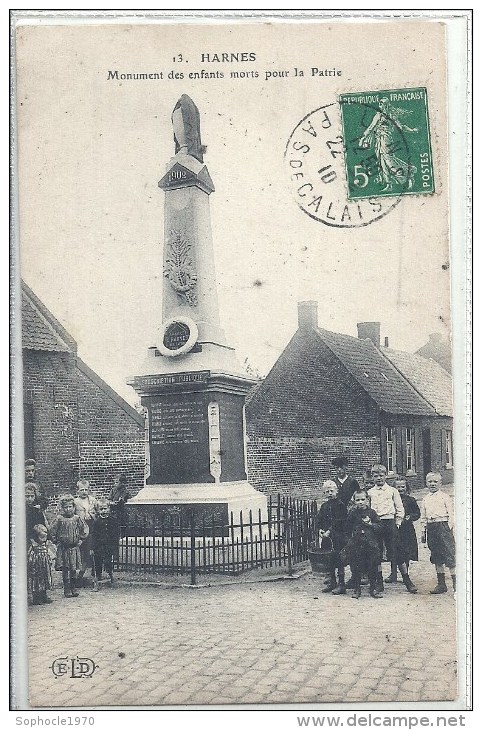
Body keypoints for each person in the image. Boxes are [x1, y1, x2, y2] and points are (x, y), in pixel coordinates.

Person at [368, 465, 417, 594]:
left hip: (390, 522)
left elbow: (400, 508)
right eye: (375, 476)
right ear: (372, 477)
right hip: (376, 523)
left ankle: (407, 581)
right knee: (376, 553)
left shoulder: (392, 491)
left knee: (397, 551)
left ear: (386, 476)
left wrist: (398, 522)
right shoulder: (370, 493)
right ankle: (379, 583)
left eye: (381, 475)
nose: (379, 478)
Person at [421, 472, 456, 595]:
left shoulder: (445, 497)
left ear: (440, 483)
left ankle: (456, 584)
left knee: (449, 554)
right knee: (436, 555)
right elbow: (424, 517)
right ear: (426, 483)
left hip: (443, 526)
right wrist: (423, 531)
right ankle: (441, 584)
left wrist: (448, 529)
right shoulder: (425, 499)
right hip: (431, 527)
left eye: (435, 482)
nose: (432, 484)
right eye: (430, 482)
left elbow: (451, 515)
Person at [344, 490, 383, 599]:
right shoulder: (352, 513)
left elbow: (380, 527)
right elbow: (347, 529)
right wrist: (349, 541)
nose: (360, 502)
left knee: (372, 566)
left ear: (367, 500)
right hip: (356, 544)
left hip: (370, 544)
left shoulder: (372, 513)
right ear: (354, 501)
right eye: (358, 500)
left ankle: (373, 589)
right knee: (356, 567)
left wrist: (371, 524)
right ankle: (357, 589)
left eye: (362, 499)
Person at [48, 494, 88, 598]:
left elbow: (84, 528)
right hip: (64, 548)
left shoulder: (77, 518)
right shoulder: (59, 519)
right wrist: (56, 541)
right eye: (66, 507)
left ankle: (74, 587)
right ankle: (67, 588)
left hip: (74, 548)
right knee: (66, 569)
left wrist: (81, 540)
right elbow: (52, 531)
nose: (68, 509)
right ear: (62, 508)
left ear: (74, 507)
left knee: (74, 569)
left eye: (70, 506)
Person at [316, 480, 348, 595]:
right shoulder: (324, 506)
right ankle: (332, 582)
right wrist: (320, 529)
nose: (330, 493)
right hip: (327, 538)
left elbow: (341, 521)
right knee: (329, 559)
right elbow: (319, 519)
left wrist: (330, 530)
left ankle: (341, 584)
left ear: (336, 491)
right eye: (327, 492)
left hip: (338, 537)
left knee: (339, 560)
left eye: (332, 491)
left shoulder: (340, 505)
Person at [90, 499, 118, 591]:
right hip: (99, 547)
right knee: (97, 565)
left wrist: (115, 547)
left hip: (108, 546)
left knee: (108, 562)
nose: (104, 511)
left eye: (105, 508)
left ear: (109, 509)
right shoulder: (96, 522)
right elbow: (93, 536)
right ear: (98, 511)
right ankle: (97, 582)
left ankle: (111, 577)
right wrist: (92, 548)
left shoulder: (113, 521)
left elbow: (115, 535)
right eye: (101, 509)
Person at [74, 479, 97, 586]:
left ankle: (90, 576)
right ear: (78, 491)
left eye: (86, 490)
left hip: (91, 527)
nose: (84, 492)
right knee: (79, 552)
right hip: (81, 529)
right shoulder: (75, 502)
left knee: (90, 552)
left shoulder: (93, 500)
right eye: (81, 490)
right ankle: (76, 576)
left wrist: (92, 516)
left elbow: (97, 512)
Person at [395, 477, 421, 572]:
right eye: (398, 487)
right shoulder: (391, 499)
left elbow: (417, 513)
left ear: (407, 488)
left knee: (406, 550)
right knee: (395, 550)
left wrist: (410, 517)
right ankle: (393, 573)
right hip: (395, 527)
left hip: (407, 529)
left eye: (403, 486)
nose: (400, 489)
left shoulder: (411, 500)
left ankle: (405, 572)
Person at [27, 524, 53, 605]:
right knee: (37, 581)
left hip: (44, 566)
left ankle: (44, 595)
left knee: (44, 580)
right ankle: (36, 598)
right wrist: (31, 563)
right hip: (37, 566)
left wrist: (49, 559)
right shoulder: (33, 545)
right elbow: (30, 555)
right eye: (41, 538)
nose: (43, 540)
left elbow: (49, 553)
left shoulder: (46, 545)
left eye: (44, 538)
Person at [25, 483, 46, 549]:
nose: (30, 499)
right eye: (27, 496)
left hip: (36, 539)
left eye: (32, 496)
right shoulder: (21, 510)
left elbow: (42, 525)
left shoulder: (37, 510)